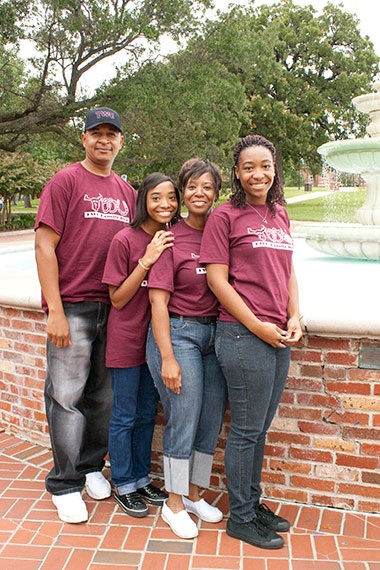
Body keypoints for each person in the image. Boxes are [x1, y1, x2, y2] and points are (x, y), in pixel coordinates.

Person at [200, 135, 302, 549]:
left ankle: (251, 503)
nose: (258, 173)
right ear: (237, 173)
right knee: (244, 430)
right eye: (248, 167)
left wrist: (295, 314)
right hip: (243, 334)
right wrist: (258, 325)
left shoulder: (280, 214)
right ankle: (240, 517)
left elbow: (288, 271)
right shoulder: (225, 216)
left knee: (259, 429)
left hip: (277, 333)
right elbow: (216, 280)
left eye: (265, 165)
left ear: (274, 168)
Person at [34, 107, 137, 524]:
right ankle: (65, 482)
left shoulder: (127, 192)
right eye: (96, 133)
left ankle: (92, 466)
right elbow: (44, 247)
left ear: (121, 142)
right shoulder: (65, 181)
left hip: (113, 307)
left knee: (103, 397)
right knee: (66, 396)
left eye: (112, 134)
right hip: (73, 305)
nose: (104, 140)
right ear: (84, 139)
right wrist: (54, 309)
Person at [146, 158, 227, 539]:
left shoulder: (221, 230)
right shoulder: (170, 238)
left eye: (208, 187)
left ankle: (194, 494)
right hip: (178, 333)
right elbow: (158, 303)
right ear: (182, 192)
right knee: (184, 415)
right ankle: (173, 502)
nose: (200, 194)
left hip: (215, 337)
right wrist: (167, 357)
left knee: (209, 418)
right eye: (193, 186)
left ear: (216, 193)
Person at [102, 173, 181, 517]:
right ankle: (122, 482)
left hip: (157, 342)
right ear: (143, 202)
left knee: (148, 414)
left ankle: (140, 476)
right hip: (126, 340)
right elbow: (117, 299)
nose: (165, 204)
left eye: (171, 198)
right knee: (124, 415)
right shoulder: (125, 240)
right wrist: (146, 260)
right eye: (156, 198)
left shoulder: (173, 239)